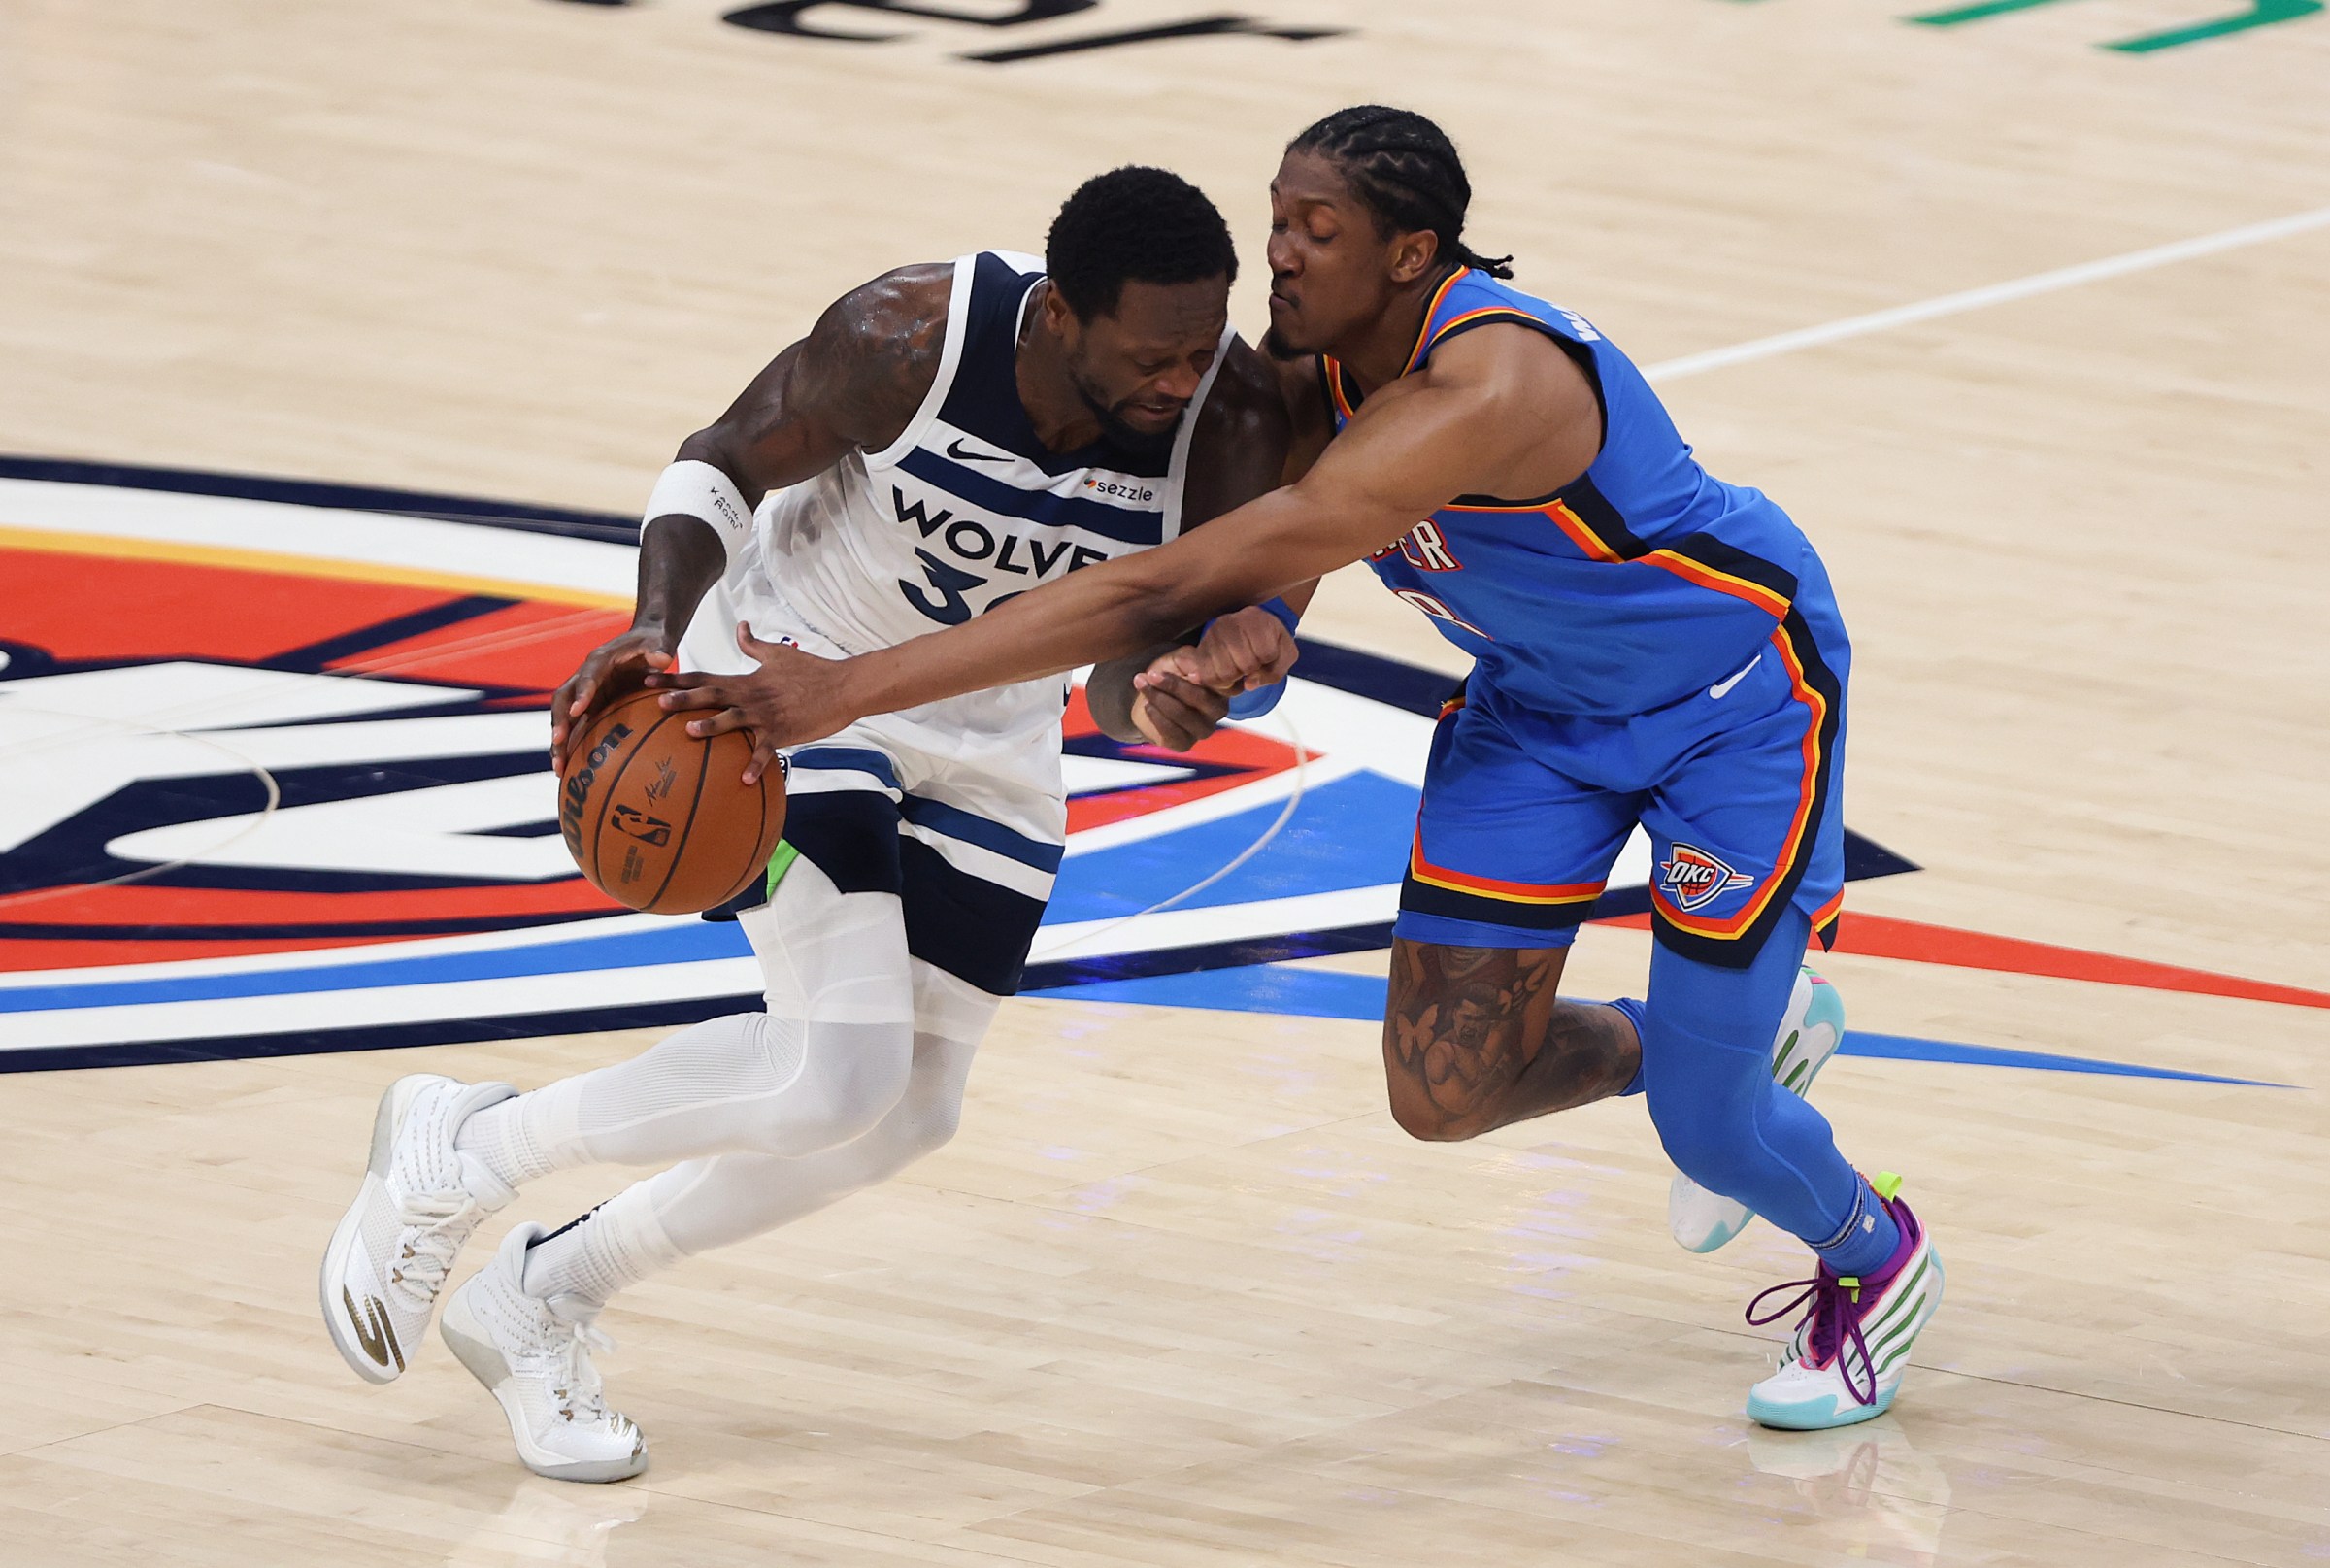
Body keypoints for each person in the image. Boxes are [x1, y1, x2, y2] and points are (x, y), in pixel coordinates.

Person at [657, 107, 1945, 1434]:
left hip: (1733, 701)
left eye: (1314, 232)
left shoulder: (1490, 385)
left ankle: (1878, 1255)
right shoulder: (1300, 367)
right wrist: (1244, 642)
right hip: (1538, 713)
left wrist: (843, 692)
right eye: (1276, 218)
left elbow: (1170, 572)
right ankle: (1712, 1040)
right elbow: (1258, 578)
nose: (1278, 254)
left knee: (1713, 1129)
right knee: (1445, 1095)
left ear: (1411, 252)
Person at [319, 165, 1300, 1482]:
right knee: (831, 1070)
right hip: (784, 687)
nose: (1183, 380)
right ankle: (467, 1152)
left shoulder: (1224, 421)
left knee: (909, 1114)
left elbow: (1128, 670)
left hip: (987, 736)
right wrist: (655, 635)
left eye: (1201, 347)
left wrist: (1178, 695)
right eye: (1154, 353)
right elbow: (719, 462)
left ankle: (540, 1294)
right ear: (1061, 313)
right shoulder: (911, 339)